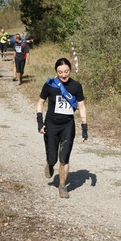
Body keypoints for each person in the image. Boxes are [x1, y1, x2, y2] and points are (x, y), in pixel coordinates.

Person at [36, 58, 88, 199]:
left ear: (70, 70)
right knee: (53, 158)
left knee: (64, 157)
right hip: (51, 125)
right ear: (56, 72)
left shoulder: (76, 86)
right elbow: (40, 103)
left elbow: (81, 106)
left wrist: (84, 127)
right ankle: (50, 164)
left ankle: (62, 186)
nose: (63, 75)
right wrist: (40, 122)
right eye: (60, 72)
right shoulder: (50, 85)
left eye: (66, 72)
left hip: (67, 126)